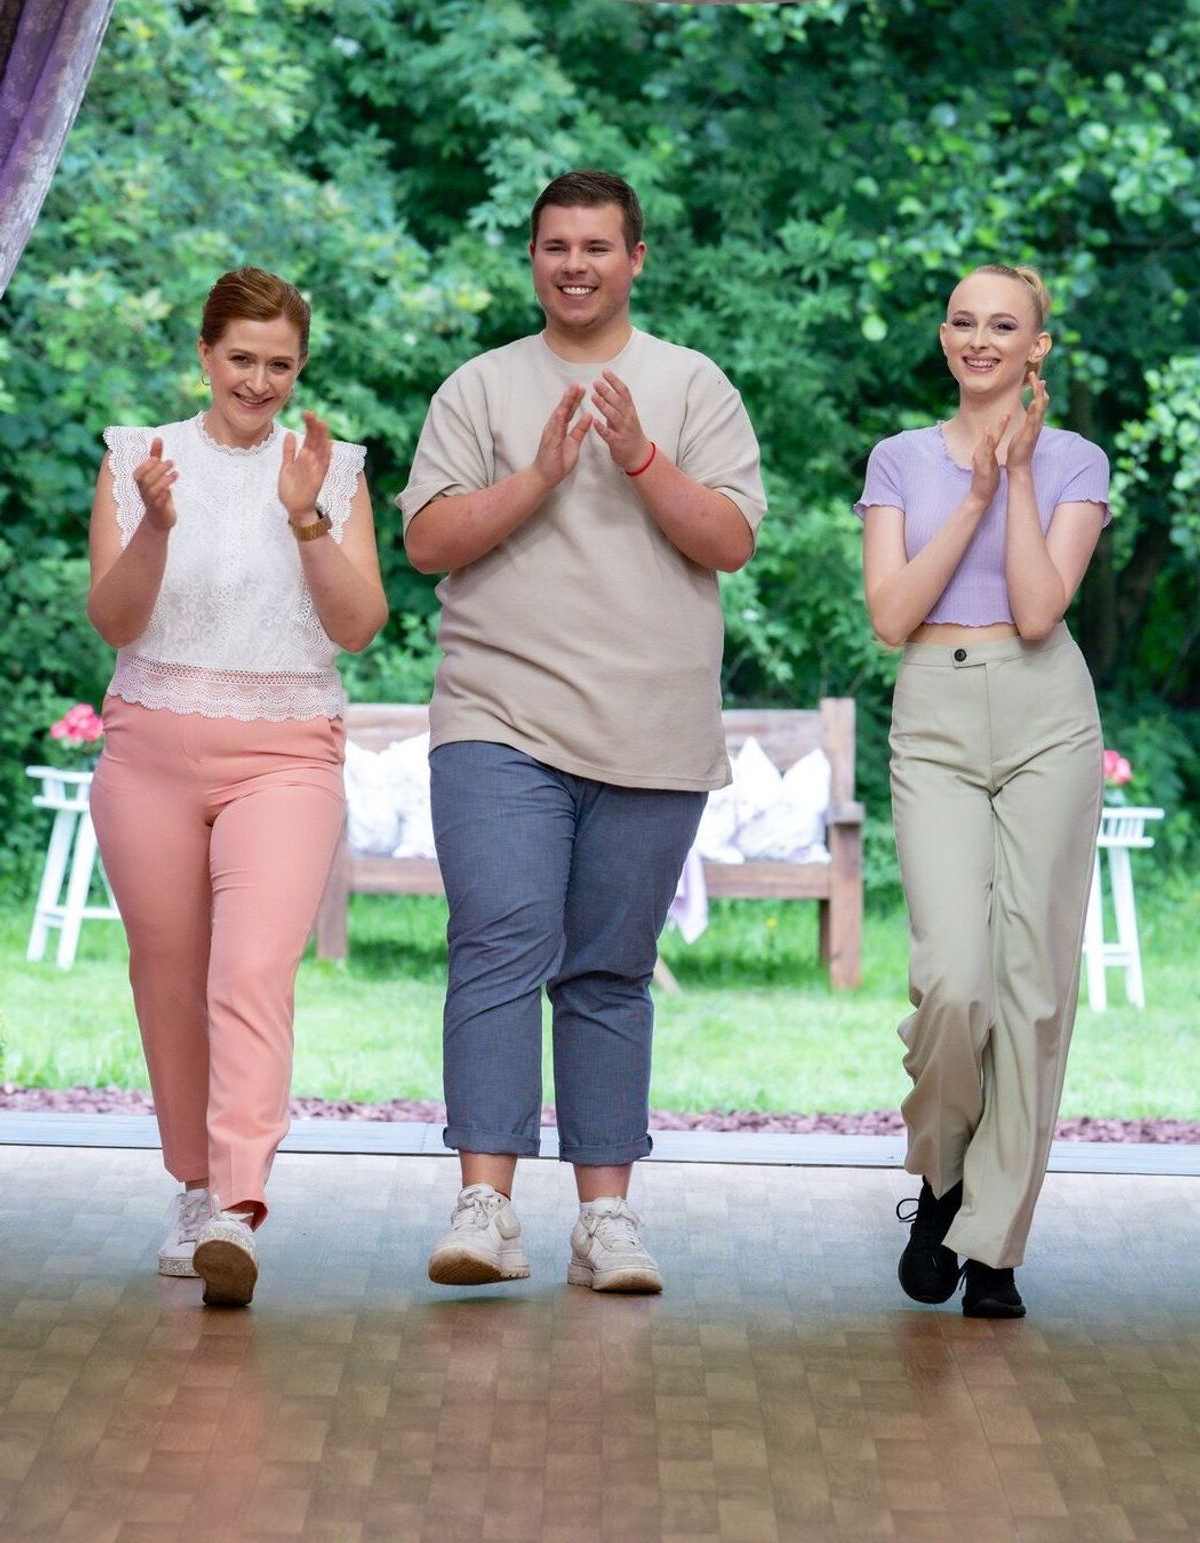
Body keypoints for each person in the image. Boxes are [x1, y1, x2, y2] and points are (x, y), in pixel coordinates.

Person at [400, 170, 766, 1294]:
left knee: (609, 972)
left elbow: (732, 540)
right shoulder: (479, 387)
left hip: (649, 732)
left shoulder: (694, 385)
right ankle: (484, 1206)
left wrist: (643, 459)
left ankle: (605, 1220)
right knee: (501, 943)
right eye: (556, 246)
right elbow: (425, 540)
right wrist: (544, 474)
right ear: (533, 258)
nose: (576, 265)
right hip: (497, 719)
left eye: (597, 246)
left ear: (636, 258)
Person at [87, 267, 387, 1306]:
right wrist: (157, 526)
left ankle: (239, 1207)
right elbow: (116, 622)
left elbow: (358, 626)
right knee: (169, 978)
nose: (259, 381)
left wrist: (306, 518)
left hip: (285, 752)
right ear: (206, 355)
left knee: (250, 971)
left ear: (300, 368)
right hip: (149, 749)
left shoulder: (332, 469)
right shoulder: (138, 458)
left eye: (281, 364)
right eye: (242, 359)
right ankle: (194, 1180)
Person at [856, 263, 1109, 1319]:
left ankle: (995, 1245)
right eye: (962, 319)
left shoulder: (1078, 461)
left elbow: (1043, 609)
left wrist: (1016, 478)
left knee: (1032, 989)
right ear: (944, 334)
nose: (979, 337)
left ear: (1037, 346)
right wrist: (973, 490)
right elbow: (893, 612)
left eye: (1003, 324)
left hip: (1048, 710)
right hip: (938, 712)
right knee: (954, 979)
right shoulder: (899, 460)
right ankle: (946, 1170)